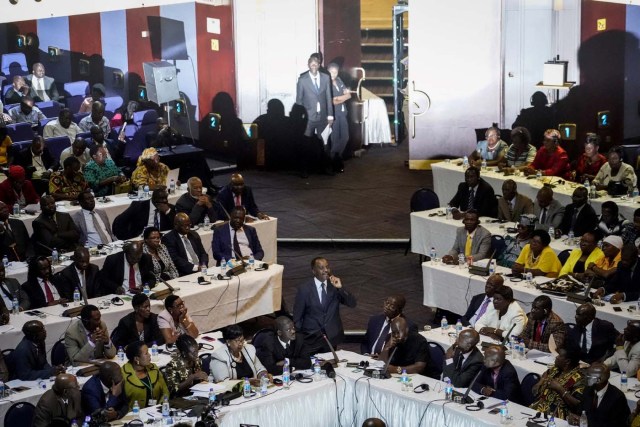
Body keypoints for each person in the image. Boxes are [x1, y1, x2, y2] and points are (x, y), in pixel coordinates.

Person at [293, 257, 357, 351]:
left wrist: (340, 288)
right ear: (314, 271)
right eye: (321, 268)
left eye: (327, 267)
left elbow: (352, 303)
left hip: (331, 338)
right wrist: (301, 338)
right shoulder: (304, 289)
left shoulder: (334, 286)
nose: (326, 270)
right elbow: (297, 317)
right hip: (311, 339)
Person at [295, 55, 334, 177]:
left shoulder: (326, 78)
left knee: (325, 142)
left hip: (322, 117)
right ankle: (304, 170)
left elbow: (328, 97)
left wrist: (330, 115)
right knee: (306, 144)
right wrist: (300, 117)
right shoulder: (302, 80)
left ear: (318, 65)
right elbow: (299, 100)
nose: (313, 65)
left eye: (315, 63)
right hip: (308, 118)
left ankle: (326, 168)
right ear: (308, 65)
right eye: (311, 64)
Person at [530, 346, 585, 420]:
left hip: (558, 414)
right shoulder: (556, 369)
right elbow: (546, 374)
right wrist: (540, 382)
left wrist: (559, 389)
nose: (556, 357)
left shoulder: (579, 378)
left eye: (559, 355)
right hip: (539, 408)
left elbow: (578, 405)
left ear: (567, 361)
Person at [121, 341, 169, 410]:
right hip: (134, 415)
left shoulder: (154, 368)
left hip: (156, 411)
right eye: (146, 353)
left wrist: (161, 407)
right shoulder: (123, 374)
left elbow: (165, 392)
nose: (150, 355)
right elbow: (122, 403)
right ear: (136, 359)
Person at [327, 62, 351, 173]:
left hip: (342, 113)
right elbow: (332, 102)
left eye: (335, 72)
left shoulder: (339, 80)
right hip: (333, 115)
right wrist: (343, 97)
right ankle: (332, 162)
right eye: (331, 71)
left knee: (345, 137)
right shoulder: (326, 84)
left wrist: (339, 98)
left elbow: (349, 95)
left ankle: (337, 156)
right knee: (335, 139)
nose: (333, 74)